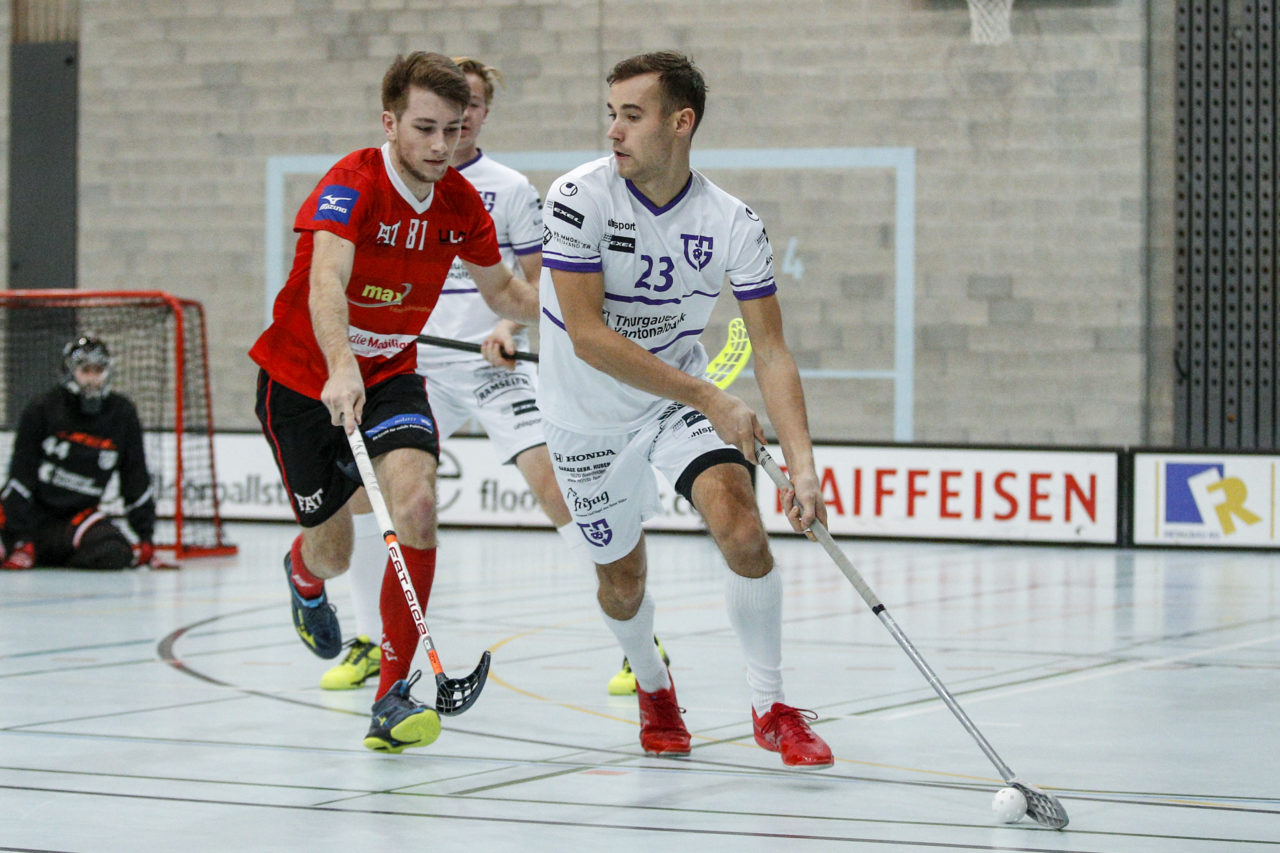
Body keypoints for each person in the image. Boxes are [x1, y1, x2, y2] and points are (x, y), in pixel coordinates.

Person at [321, 57, 671, 698]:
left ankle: (635, 643)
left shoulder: (507, 189)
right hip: (413, 366)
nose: (456, 128)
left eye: (471, 110)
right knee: (368, 498)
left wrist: (510, 330)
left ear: (477, 115)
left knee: (557, 485)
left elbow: (536, 288)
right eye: (443, 117)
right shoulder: (379, 180)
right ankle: (374, 639)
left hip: (489, 364)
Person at [538, 51, 834, 767]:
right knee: (622, 579)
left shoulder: (733, 221)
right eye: (610, 114)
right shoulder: (577, 197)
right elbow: (587, 338)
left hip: (673, 405)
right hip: (587, 417)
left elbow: (771, 350)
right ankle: (653, 683)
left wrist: (804, 465)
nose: (614, 131)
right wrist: (710, 395)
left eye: (631, 116)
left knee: (741, 526)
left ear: (682, 121)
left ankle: (771, 706)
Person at [249, 51, 539, 753]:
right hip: (301, 381)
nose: (443, 146)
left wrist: (574, 330)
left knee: (416, 505)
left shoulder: (460, 203)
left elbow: (504, 292)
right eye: (426, 129)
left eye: (454, 129)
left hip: (392, 374)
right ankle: (302, 573)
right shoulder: (353, 184)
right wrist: (341, 365)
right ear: (391, 123)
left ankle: (392, 694)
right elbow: (327, 284)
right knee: (336, 551)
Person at [0, 335, 158, 571]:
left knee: (115, 553)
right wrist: (20, 538)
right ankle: (26, 547)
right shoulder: (43, 408)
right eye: (85, 371)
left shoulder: (122, 414)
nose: (92, 379)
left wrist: (146, 538)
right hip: (32, 514)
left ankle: (49, 557)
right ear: (70, 373)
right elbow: (21, 476)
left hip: (77, 520)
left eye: (99, 370)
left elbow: (135, 477)